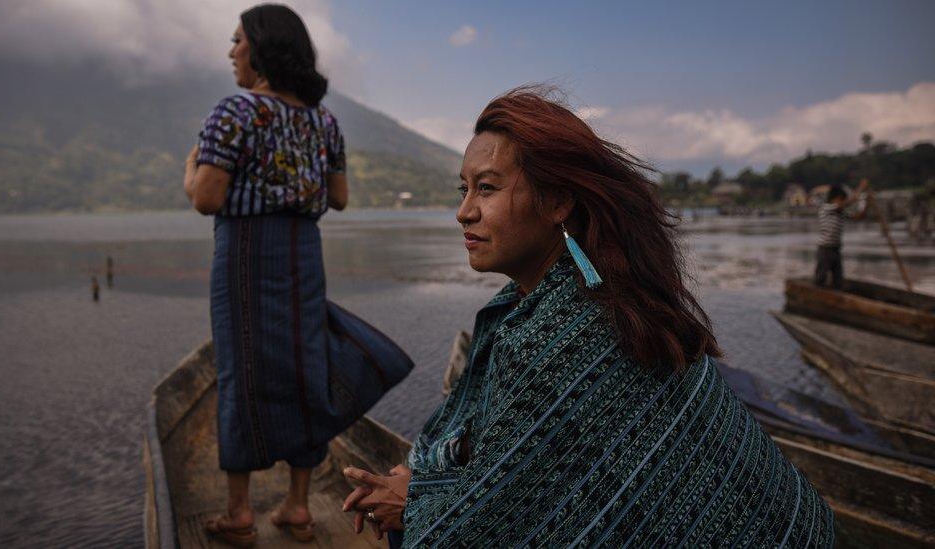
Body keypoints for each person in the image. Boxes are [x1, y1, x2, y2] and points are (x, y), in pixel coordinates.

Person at [343, 88, 833, 547]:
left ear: (558, 202)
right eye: (463, 189)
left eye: (487, 188)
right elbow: (511, 463)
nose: (463, 212)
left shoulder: (561, 337)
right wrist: (422, 482)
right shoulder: (614, 290)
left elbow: (479, 528)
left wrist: (414, 505)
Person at [183, 4, 413, 546]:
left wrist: (190, 169)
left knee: (241, 370)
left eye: (237, 40)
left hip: (244, 254)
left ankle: (240, 514)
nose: (230, 50)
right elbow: (340, 198)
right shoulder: (324, 120)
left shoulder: (232, 113)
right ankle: (298, 507)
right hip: (303, 255)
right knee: (306, 367)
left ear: (260, 48)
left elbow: (206, 199)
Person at [815, 179, 869, 288]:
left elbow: (858, 217)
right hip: (825, 249)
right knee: (820, 278)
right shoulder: (826, 208)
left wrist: (866, 203)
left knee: (838, 280)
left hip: (836, 249)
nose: (841, 202)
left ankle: (836, 292)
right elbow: (849, 202)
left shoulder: (840, 212)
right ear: (834, 198)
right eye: (840, 199)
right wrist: (861, 188)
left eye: (842, 200)